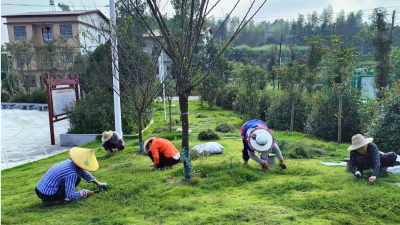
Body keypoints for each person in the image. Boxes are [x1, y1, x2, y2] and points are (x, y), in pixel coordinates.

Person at [35, 147, 109, 203]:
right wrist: (85, 193)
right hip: (47, 194)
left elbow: (83, 172)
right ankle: (58, 199)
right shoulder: (71, 173)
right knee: (78, 178)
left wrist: (98, 183)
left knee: (78, 175)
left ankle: (55, 198)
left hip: (40, 190)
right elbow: (70, 195)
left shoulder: (69, 162)